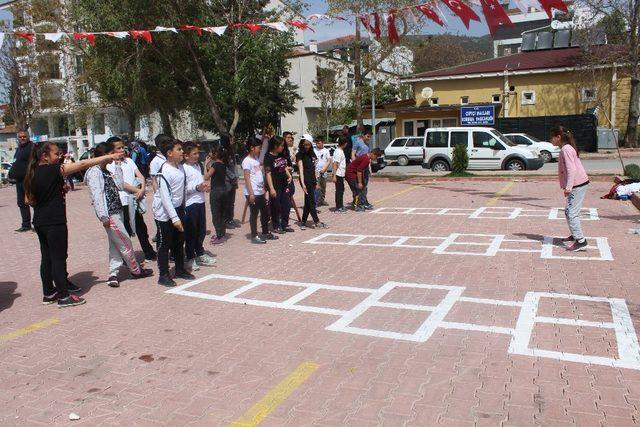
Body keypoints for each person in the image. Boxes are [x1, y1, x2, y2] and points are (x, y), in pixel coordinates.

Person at [23, 142, 123, 307]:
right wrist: (109, 156)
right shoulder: (53, 169)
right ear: (44, 156)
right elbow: (82, 164)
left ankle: (48, 293)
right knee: (58, 258)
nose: (60, 156)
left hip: (40, 221)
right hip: (55, 222)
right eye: (56, 153)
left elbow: (28, 200)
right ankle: (63, 296)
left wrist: (51, 194)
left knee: (47, 258)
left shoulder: (32, 173)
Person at [85, 141, 153, 288]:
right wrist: (103, 216)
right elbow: (97, 196)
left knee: (115, 245)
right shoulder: (94, 172)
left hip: (118, 211)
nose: (114, 155)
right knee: (125, 241)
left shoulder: (107, 170)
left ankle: (113, 274)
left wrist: (116, 166)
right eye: (111, 154)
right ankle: (135, 270)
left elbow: (121, 185)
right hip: (110, 214)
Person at [153, 138, 196, 287]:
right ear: (170, 153)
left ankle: (179, 269)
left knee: (179, 241)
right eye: (179, 149)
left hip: (178, 209)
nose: (182, 152)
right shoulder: (163, 171)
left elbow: (182, 190)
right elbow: (165, 197)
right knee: (164, 244)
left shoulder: (180, 168)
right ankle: (163, 275)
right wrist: (174, 218)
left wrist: (181, 210)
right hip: (164, 213)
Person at [106, 137, 157, 261]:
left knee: (141, 228)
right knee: (126, 230)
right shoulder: (110, 165)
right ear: (111, 151)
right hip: (123, 201)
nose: (122, 150)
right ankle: (127, 257)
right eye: (118, 148)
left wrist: (142, 188)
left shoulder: (129, 161)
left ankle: (148, 252)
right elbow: (121, 183)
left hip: (134, 200)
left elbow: (140, 175)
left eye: (123, 147)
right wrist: (137, 190)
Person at [552, 126, 590, 252]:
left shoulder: (566, 149)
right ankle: (575, 235)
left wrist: (568, 187)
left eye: (552, 137)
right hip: (578, 184)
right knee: (570, 211)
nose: (550, 139)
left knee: (571, 213)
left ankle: (581, 241)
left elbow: (571, 169)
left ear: (558, 137)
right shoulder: (566, 148)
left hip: (577, 185)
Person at [183, 141, 216, 271]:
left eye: (198, 153)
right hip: (190, 204)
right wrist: (197, 188)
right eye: (194, 153)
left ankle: (200, 253)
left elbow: (201, 181)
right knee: (191, 232)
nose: (197, 156)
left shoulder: (197, 166)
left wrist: (205, 187)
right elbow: (183, 189)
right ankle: (190, 258)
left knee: (201, 231)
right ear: (186, 155)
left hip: (200, 202)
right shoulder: (183, 169)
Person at [243, 137, 278, 244]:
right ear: (252, 148)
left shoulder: (256, 160)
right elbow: (247, 178)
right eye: (259, 148)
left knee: (265, 212)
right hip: (252, 193)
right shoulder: (246, 161)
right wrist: (251, 194)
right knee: (254, 214)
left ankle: (265, 232)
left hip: (260, 191)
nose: (260, 150)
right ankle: (254, 236)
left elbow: (257, 173)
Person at [296, 135, 327, 230]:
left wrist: (316, 181)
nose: (306, 146)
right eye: (305, 144)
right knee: (312, 201)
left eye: (308, 144)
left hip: (312, 179)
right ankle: (317, 222)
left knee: (308, 202)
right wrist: (303, 184)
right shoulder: (299, 154)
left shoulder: (312, 153)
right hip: (305, 179)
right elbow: (300, 169)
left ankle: (303, 222)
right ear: (302, 144)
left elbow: (314, 169)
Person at [264, 136, 291, 234]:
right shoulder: (268, 157)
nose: (283, 147)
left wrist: (289, 176)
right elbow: (268, 173)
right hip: (275, 186)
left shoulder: (281, 155)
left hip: (284, 185)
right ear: (275, 146)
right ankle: (276, 226)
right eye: (281, 145)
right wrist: (271, 188)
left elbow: (284, 167)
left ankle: (285, 225)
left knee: (287, 205)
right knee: (276, 207)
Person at [9, 130, 34, 232]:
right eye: (20, 137)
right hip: (18, 181)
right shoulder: (19, 148)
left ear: (28, 137)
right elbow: (16, 161)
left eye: (24, 136)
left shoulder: (32, 147)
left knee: (33, 202)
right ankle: (26, 225)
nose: (22, 138)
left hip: (27, 180)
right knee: (21, 203)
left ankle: (37, 224)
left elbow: (34, 163)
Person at [206, 145, 228, 245]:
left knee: (216, 214)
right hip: (224, 190)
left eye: (211, 152)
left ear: (216, 154)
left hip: (216, 192)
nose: (210, 154)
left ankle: (219, 236)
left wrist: (205, 164)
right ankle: (222, 234)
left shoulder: (215, 165)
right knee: (222, 214)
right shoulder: (223, 164)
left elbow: (206, 177)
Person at [351, 129, 374, 210]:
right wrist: (354, 165)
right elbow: (353, 154)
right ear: (363, 135)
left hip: (365, 167)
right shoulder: (357, 142)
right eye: (368, 136)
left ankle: (364, 202)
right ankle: (357, 203)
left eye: (370, 137)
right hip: (359, 167)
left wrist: (370, 169)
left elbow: (369, 158)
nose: (369, 138)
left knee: (365, 186)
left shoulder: (367, 145)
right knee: (359, 186)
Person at [279, 131, 296, 232]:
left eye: (292, 138)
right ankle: (280, 220)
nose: (291, 140)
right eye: (289, 138)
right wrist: (287, 169)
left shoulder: (287, 151)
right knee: (283, 200)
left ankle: (284, 222)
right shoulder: (280, 152)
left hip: (288, 177)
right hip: (282, 178)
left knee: (290, 194)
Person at [222, 136, 240, 229]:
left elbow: (234, 165)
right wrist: (233, 177)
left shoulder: (232, 151)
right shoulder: (223, 152)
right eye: (231, 139)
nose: (233, 140)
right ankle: (226, 220)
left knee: (232, 202)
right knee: (227, 202)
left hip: (233, 180)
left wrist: (236, 176)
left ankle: (231, 219)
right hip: (227, 180)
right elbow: (225, 168)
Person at [332, 136, 348, 213]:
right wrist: (334, 175)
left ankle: (340, 205)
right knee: (339, 191)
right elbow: (335, 163)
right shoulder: (339, 152)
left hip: (341, 174)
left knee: (341, 190)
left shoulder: (339, 151)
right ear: (345, 143)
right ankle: (338, 207)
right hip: (338, 174)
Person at [314, 137, 332, 207]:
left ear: (322, 142)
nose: (317, 144)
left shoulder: (326, 151)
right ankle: (317, 201)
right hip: (316, 171)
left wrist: (324, 168)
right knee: (317, 186)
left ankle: (322, 200)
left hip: (324, 171)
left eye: (319, 143)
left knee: (323, 186)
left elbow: (329, 160)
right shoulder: (314, 150)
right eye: (316, 143)